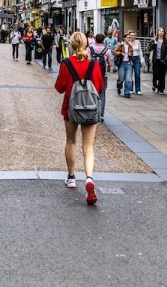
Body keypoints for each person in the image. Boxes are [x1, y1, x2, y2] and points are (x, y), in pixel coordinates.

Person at [54, 31, 103, 205]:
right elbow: (100, 86)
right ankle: (89, 178)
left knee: (71, 142)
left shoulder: (66, 64)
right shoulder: (94, 64)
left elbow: (59, 87)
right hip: (90, 109)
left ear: (71, 45)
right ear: (85, 44)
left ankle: (71, 177)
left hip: (71, 109)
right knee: (88, 146)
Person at [89, 33, 112, 120]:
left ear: (95, 39)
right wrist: (108, 68)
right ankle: (101, 113)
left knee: (92, 92)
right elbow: (110, 64)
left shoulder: (90, 49)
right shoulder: (107, 50)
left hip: (91, 74)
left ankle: (92, 111)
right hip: (103, 75)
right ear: (103, 40)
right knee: (102, 93)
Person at [148, 28, 167, 94]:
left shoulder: (166, 42)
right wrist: (153, 44)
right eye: (160, 31)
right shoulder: (154, 40)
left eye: (162, 31)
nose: (161, 32)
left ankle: (161, 89)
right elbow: (149, 49)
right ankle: (155, 84)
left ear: (164, 33)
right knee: (156, 74)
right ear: (157, 32)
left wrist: (166, 59)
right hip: (156, 60)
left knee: (162, 75)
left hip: (163, 60)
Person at [114, 32, 136, 97]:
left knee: (129, 79)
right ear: (124, 38)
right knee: (121, 78)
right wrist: (121, 53)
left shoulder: (130, 46)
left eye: (129, 37)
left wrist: (130, 55)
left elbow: (132, 54)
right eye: (128, 37)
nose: (129, 38)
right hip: (122, 63)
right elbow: (115, 52)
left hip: (129, 63)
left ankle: (127, 92)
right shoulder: (120, 45)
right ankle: (119, 86)